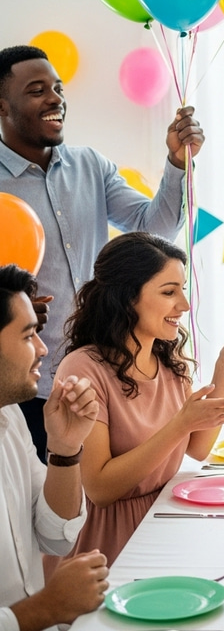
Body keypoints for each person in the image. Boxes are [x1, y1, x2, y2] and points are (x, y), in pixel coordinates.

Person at [0, 44, 206, 460]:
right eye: (37, 90)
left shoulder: (91, 166)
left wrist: (176, 161)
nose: (55, 98)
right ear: (2, 107)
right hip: (26, 385)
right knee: (39, 513)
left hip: (101, 374)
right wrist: (12, 302)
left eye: (57, 88)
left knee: (100, 503)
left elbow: (155, 227)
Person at [50, 232, 224, 566]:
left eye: (182, 289)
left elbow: (197, 448)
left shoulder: (170, 362)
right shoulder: (82, 369)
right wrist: (180, 425)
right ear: (127, 298)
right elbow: (100, 489)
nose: (183, 305)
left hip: (166, 518)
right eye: (169, 292)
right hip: (110, 541)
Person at [0, 264, 109, 631]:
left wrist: (65, 447)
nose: (43, 349)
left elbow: (55, 537)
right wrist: (47, 607)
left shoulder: (10, 417)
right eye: (28, 335)